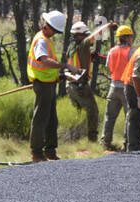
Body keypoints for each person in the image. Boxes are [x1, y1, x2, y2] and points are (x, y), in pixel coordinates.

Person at [27, 10, 83, 162]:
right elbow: (44, 60)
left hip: (50, 83)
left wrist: (62, 75)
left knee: (52, 119)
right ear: (48, 26)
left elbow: (48, 67)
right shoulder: (41, 40)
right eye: (55, 30)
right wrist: (65, 66)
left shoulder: (47, 39)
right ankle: (37, 153)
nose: (56, 34)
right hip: (42, 85)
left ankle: (50, 151)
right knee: (40, 119)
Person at [64, 20, 101, 141]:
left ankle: (74, 139)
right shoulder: (83, 43)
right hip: (80, 85)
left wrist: (90, 57)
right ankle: (92, 139)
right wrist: (109, 25)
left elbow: (78, 60)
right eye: (85, 34)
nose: (87, 37)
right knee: (93, 111)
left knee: (77, 113)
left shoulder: (71, 47)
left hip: (70, 85)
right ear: (80, 35)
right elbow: (95, 35)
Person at [101, 25, 135, 150]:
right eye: (131, 36)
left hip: (113, 87)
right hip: (127, 87)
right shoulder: (131, 52)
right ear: (126, 38)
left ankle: (105, 143)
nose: (132, 39)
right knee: (129, 117)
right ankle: (127, 144)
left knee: (109, 117)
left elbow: (109, 68)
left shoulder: (111, 51)